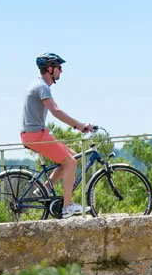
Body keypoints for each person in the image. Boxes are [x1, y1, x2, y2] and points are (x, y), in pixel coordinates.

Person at [21, 53, 96, 218]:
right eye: (59, 68)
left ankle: (45, 188)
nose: (61, 72)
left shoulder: (39, 86)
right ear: (50, 69)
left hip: (37, 134)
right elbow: (56, 111)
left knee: (71, 157)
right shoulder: (42, 87)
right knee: (70, 163)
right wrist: (80, 126)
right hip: (36, 135)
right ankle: (67, 206)